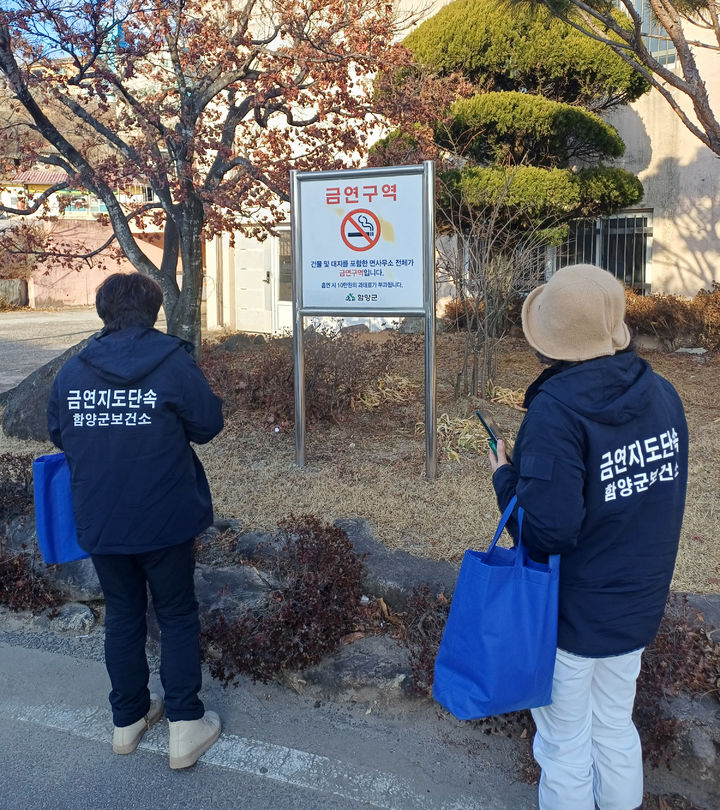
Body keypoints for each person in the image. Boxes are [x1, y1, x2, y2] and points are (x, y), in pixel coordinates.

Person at [488, 264, 688, 810]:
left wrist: (505, 476)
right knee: (615, 728)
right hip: (637, 607)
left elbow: (548, 530)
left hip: (571, 616)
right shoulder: (664, 396)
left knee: (564, 742)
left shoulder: (556, 412)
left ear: (550, 340)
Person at [47, 272, 224, 770]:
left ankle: (127, 719)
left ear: (104, 311)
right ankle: (185, 725)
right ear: (153, 310)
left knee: (122, 613)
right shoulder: (173, 363)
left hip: (101, 518)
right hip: (164, 518)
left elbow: (58, 431)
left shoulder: (73, 369)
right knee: (175, 613)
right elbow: (208, 424)